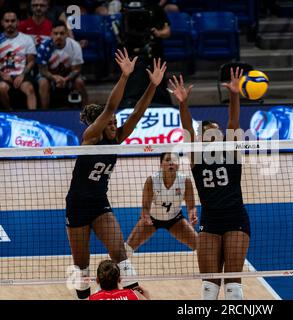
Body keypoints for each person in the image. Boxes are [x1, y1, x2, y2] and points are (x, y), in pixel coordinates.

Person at [65, 49, 167, 299]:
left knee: (119, 253)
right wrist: (124, 77)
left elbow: (136, 114)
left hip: (100, 204)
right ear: (97, 125)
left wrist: (152, 86)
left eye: (114, 124)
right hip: (77, 205)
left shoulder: (116, 138)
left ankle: (134, 293)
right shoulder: (89, 139)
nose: (114, 126)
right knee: (81, 266)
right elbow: (111, 107)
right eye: (109, 123)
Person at [168, 68, 250, 300]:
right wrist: (183, 103)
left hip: (235, 219)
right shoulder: (196, 157)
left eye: (217, 130)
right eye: (208, 130)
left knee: (233, 285)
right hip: (210, 221)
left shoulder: (232, 152)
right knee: (209, 287)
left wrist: (234, 94)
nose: (215, 132)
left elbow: (233, 121)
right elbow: (186, 130)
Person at [125, 152, 198, 256]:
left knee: (201, 247)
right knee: (126, 249)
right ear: (161, 164)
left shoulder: (185, 181)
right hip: (152, 220)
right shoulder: (152, 180)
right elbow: (145, 207)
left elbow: (191, 207)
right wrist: (145, 216)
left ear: (179, 164)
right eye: (167, 160)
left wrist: (192, 214)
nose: (171, 163)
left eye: (174, 160)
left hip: (175, 220)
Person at [120, 0, 171, 107]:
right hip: (131, 50)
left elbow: (167, 31)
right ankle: (130, 104)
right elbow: (123, 29)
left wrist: (158, 33)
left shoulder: (155, 8)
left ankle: (161, 104)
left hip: (154, 51)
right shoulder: (126, 6)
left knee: (158, 81)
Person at [36, 20, 87, 108]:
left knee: (80, 82)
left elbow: (77, 69)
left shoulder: (74, 46)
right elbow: (42, 70)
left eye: (62, 33)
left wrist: (65, 79)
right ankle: (45, 112)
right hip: (49, 75)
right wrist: (54, 78)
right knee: (43, 83)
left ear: (67, 34)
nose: (58, 36)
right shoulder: (43, 47)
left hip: (68, 75)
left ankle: (86, 110)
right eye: (56, 33)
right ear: (51, 34)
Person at [0, 10, 37, 110]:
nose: (10, 24)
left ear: (18, 22)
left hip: (22, 74)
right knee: (1, 88)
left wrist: (22, 75)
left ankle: (33, 118)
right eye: (7, 21)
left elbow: (31, 61)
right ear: (2, 23)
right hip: (3, 75)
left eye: (13, 21)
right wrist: (2, 74)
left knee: (29, 89)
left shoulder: (27, 39)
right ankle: (11, 113)